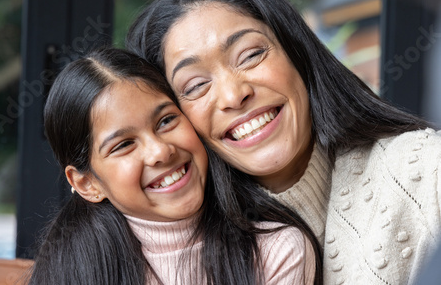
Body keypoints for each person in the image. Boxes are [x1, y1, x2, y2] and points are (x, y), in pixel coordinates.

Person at [125, 0, 441, 284]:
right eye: (195, 86)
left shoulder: (425, 170)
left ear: (298, 52)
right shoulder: (168, 253)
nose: (233, 95)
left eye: (250, 55)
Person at [27, 47, 321, 284]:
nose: (160, 152)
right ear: (86, 183)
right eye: (123, 145)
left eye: (166, 121)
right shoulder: (69, 271)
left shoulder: (276, 252)